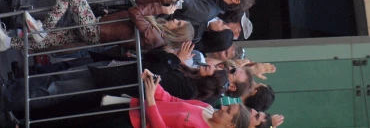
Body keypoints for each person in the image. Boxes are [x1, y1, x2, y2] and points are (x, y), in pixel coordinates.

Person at [0, 0, 194, 52]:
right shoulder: (157, 26)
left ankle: (44, 28)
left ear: (177, 33)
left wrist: (160, 8)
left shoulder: (156, 38)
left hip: (97, 32)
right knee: (51, 40)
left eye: (178, 23)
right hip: (98, 28)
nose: (173, 19)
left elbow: (135, 13)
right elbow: (138, 3)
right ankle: (8, 43)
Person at [77, 69, 253, 128]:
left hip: (133, 124)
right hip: (133, 108)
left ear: (230, 125)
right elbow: (173, 101)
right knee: (78, 116)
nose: (222, 108)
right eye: (227, 107)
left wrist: (152, 101)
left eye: (228, 111)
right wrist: (153, 83)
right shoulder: (206, 108)